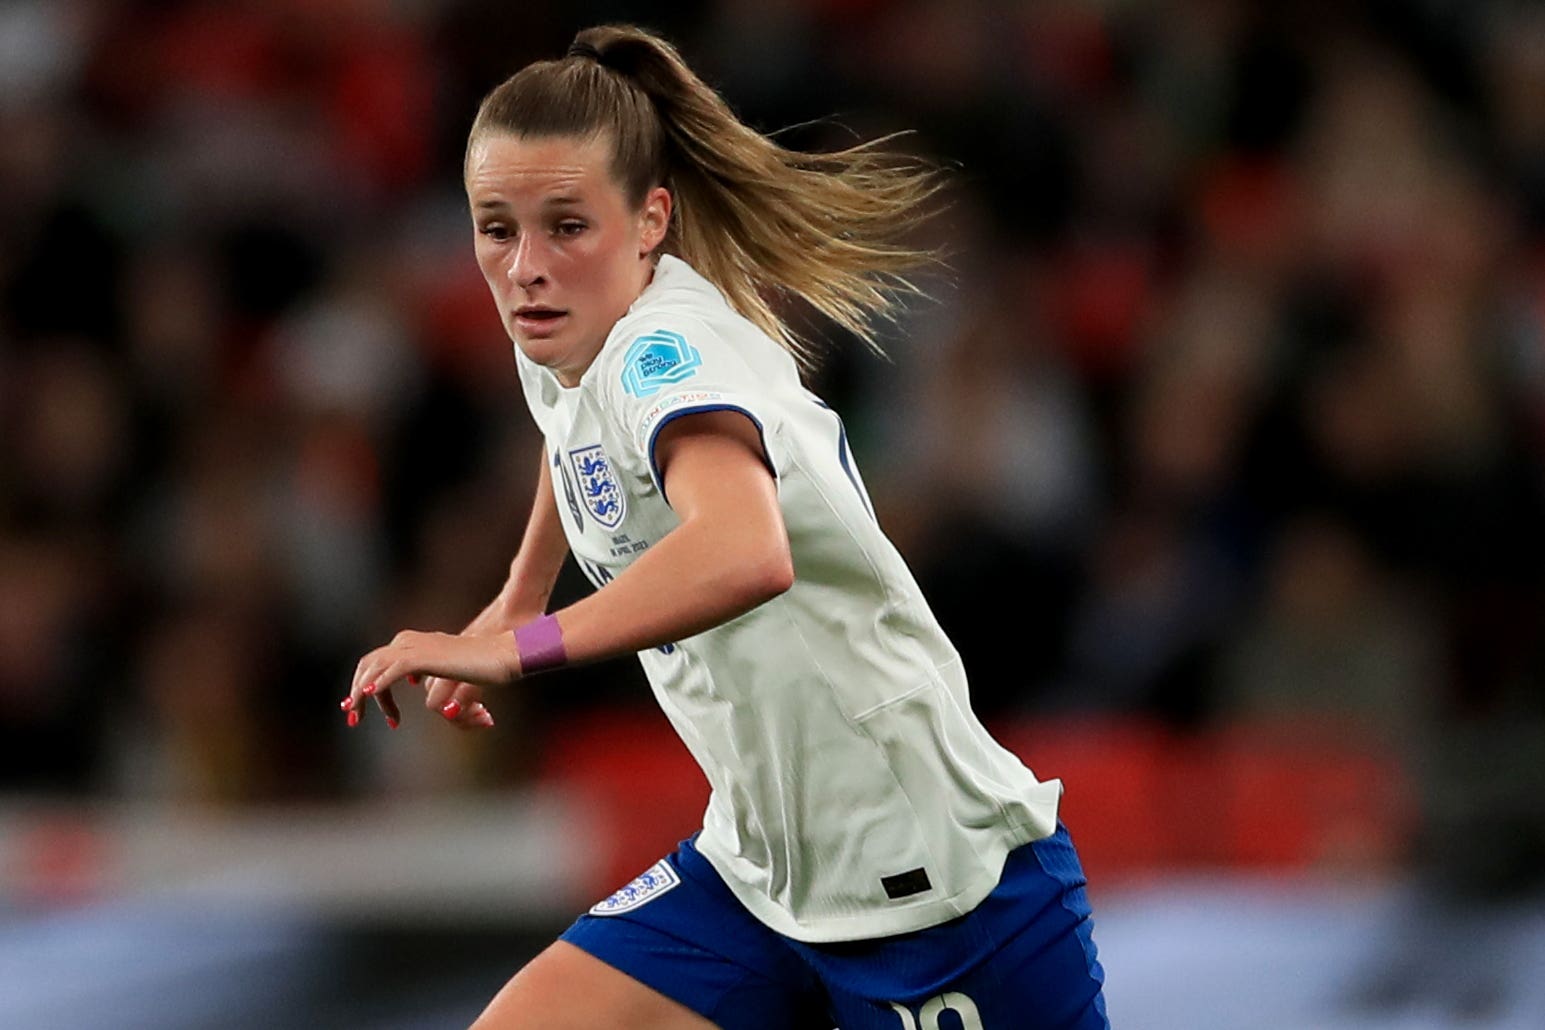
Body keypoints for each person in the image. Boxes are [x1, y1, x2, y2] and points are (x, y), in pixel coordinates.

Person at [341, 24, 1110, 1030]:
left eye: (566, 225)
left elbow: (746, 550)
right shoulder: (566, 326)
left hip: (934, 886)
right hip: (759, 871)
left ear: (651, 217)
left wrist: (523, 649)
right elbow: (570, 429)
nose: (524, 264)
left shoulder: (666, 351)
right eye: (496, 226)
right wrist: (521, 585)